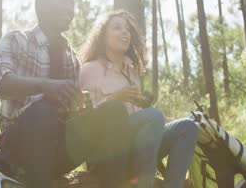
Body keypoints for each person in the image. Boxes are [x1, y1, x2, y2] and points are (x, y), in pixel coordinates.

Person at [0, 0, 132, 188]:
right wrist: (46, 86)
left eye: (72, 4)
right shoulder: (16, 40)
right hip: (19, 148)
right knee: (43, 111)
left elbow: (71, 115)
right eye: (64, 1)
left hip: (58, 151)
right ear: (42, 6)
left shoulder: (71, 58)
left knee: (114, 111)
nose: (70, 9)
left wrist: (83, 107)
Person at [79, 10, 199, 188]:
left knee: (188, 127)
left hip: (139, 148)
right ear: (103, 37)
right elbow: (84, 117)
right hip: (109, 152)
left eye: (127, 29)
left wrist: (178, 120)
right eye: (117, 28)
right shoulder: (90, 69)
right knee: (154, 116)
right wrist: (115, 97)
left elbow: (144, 117)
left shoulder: (132, 73)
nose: (124, 32)